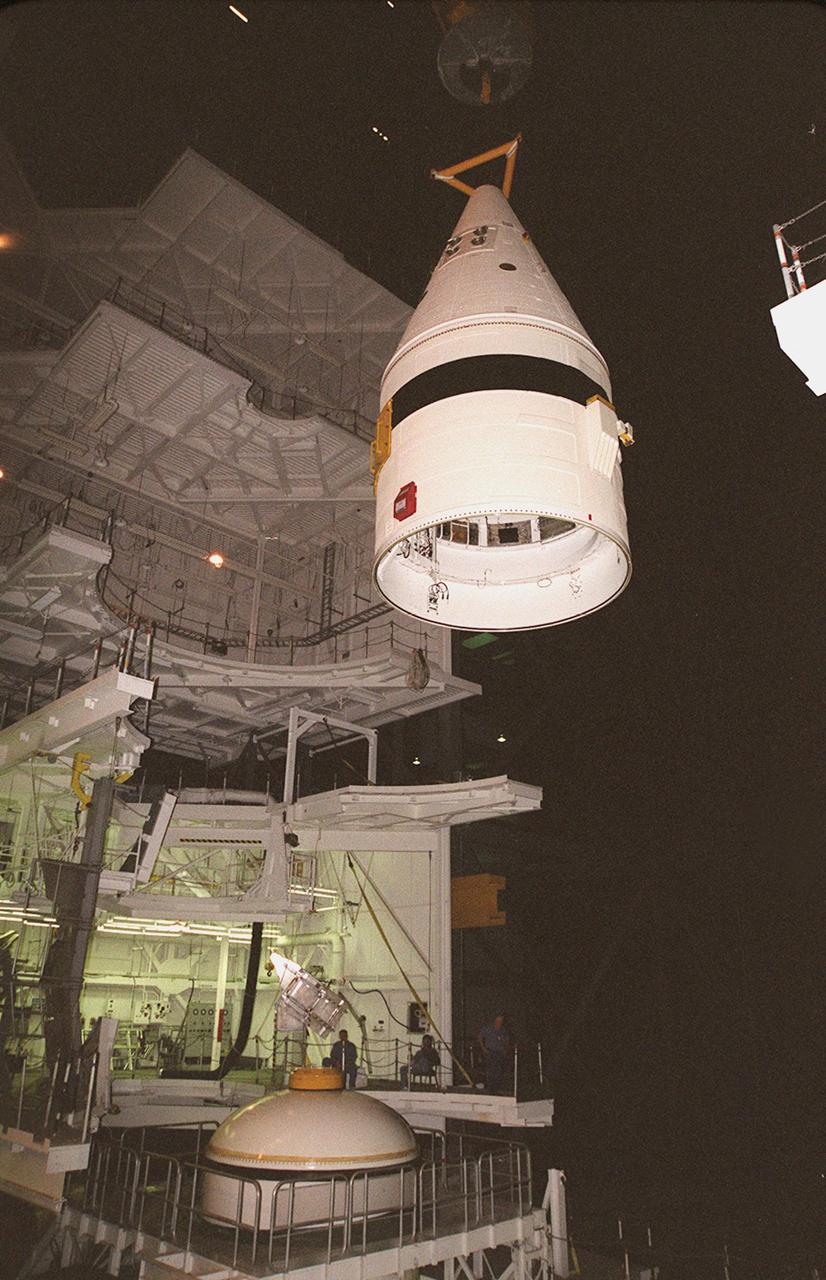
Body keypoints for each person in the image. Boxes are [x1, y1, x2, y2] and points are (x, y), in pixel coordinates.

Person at [478, 1012, 511, 1094]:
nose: (499, 1023)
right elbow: (480, 1037)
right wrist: (483, 1048)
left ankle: (497, 1088)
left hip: (499, 1052)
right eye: (497, 1021)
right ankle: (490, 1088)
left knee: (498, 1070)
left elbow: (507, 1041)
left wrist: (504, 1048)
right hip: (490, 1051)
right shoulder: (488, 1028)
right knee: (490, 1070)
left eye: (500, 1021)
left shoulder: (503, 1030)